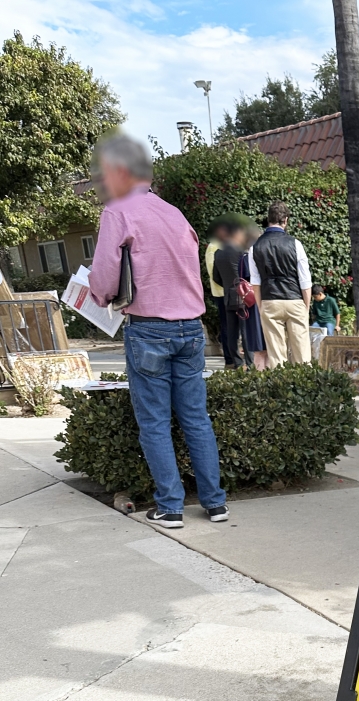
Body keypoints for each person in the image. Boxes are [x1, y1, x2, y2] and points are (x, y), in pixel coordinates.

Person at [88, 134, 227, 528]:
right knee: (196, 418)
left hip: (149, 328)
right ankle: (215, 503)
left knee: (154, 422)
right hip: (190, 328)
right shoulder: (174, 213)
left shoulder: (117, 212)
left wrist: (98, 295)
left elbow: (104, 278)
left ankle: (171, 506)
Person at [250, 201, 312, 368]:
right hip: (294, 299)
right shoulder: (295, 244)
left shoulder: (255, 247)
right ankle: (304, 382)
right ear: (285, 220)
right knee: (302, 355)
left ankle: (280, 383)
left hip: (270, 300)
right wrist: (306, 307)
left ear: (268, 219)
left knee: (276, 357)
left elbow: (255, 283)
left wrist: (261, 306)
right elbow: (305, 281)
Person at [211, 218, 251, 369]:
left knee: (231, 330)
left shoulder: (218, 253)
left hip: (228, 295)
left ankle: (236, 362)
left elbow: (216, 277)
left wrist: (229, 286)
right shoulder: (241, 251)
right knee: (246, 330)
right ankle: (250, 362)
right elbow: (248, 273)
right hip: (244, 295)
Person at [239, 229, 268, 371]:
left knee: (260, 345)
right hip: (260, 300)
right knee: (263, 345)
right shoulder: (250, 257)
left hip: (255, 302)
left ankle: (261, 374)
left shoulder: (245, 257)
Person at [204, 228, 233, 367]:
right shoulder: (213, 246)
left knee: (231, 325)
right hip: (222, 292)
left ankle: (232, 355)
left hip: (229, 291)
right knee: (227, 325)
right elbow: (213, 272)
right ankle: (230, 358)